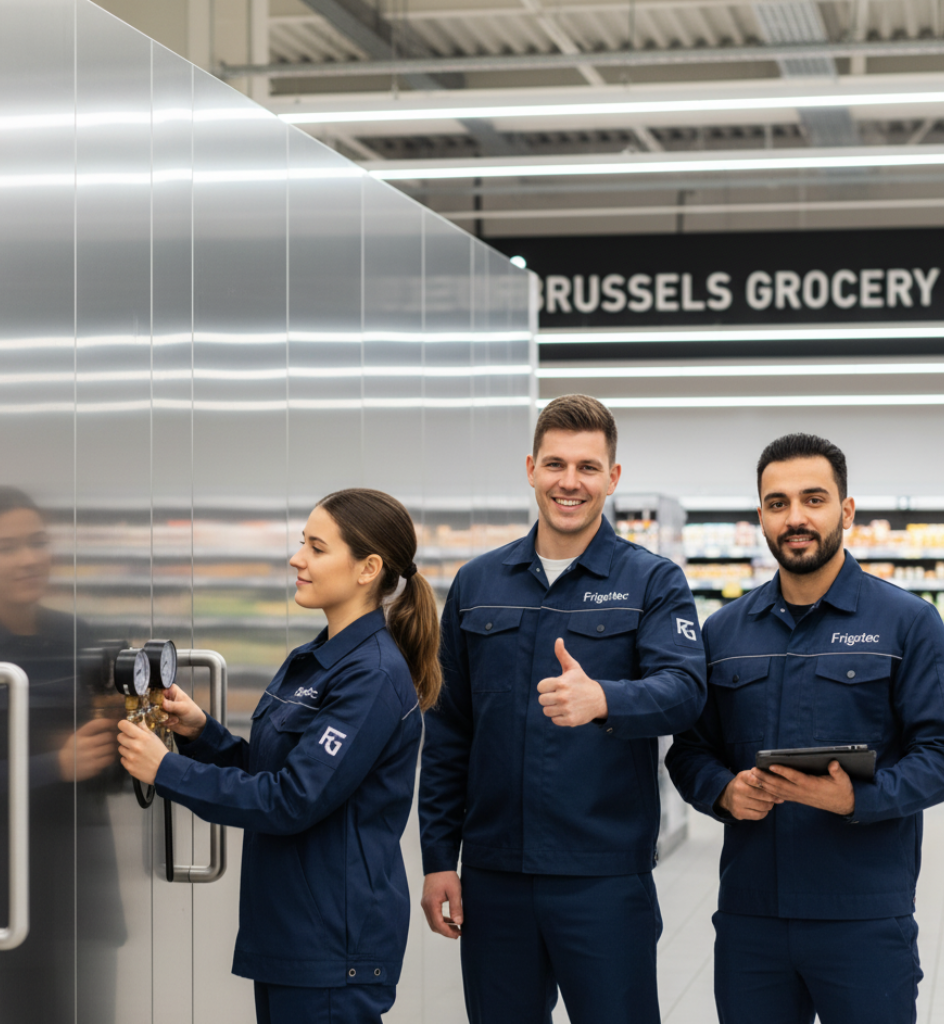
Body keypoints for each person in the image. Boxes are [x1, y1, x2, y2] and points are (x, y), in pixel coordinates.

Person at [418, 394, 707, 1024]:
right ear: (531, 469)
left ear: (612, 477)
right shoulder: (477, 584)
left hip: (603, 876)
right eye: (555, 464)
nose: (569, 482)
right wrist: (439, 858)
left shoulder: (652, 581)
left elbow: (686, 689)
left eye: (587, 467)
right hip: (495, 873)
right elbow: (448, 732)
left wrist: (606, 698)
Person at [117, 489, 440, 1024]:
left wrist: (166, 769)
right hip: (291, 935)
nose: (297, 559)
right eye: (302, 543)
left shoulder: (372, 676)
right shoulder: (313, 658)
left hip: (332, 946)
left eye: (317, 548)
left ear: (368, 569)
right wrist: (201, 734)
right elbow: (273, 772)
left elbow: (292, 800)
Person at [666, 433, 944, 1024]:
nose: (796, 518)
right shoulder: (723, 633)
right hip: (751, 918)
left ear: (846, 510)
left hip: (865, 915)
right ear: (761, 517)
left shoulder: (909, 623)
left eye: (814, 499)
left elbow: (938, 753)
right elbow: (688, 750)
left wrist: (856, 798)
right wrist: (724, 791)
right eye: (778, 503)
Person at [0, 486, 122, 1023]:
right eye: (8, 548)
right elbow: (62, 759)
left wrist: (126, 733)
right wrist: (53, 764)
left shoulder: (74, 635)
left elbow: (104, 772)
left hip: (76, 887)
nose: (29, 559)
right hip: (9, 891)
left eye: (37, 541)